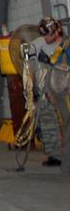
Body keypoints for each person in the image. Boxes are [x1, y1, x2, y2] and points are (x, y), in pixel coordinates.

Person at [35, 17, 68, 167]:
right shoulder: (43, 47)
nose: (46, 38)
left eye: (48, 35)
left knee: (67, 125)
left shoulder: (67, 47)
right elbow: (45, 71)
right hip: (53, 92)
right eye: (44, 35)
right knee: (49, 122)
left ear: (57, 32)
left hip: (65, 93)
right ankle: (55, 155)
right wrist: (48, 92)